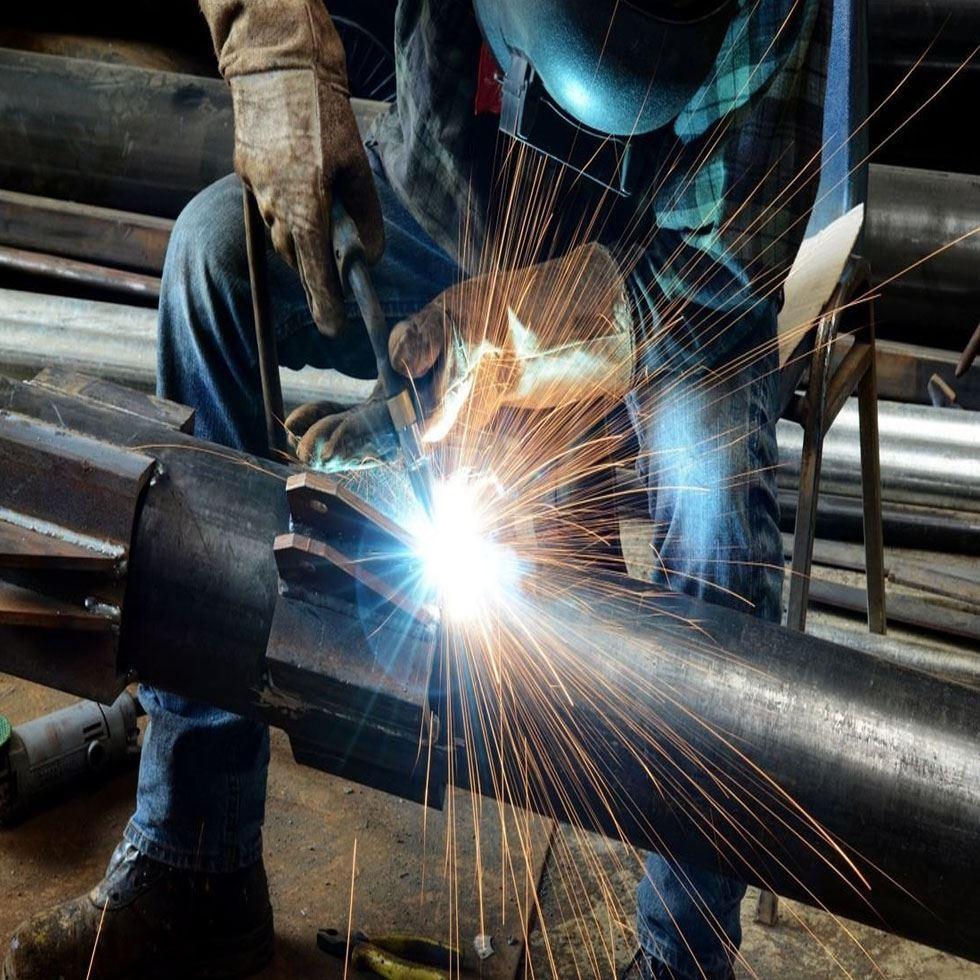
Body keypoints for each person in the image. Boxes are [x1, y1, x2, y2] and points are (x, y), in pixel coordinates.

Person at [3, 1, 829, 978]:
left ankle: (681, 959)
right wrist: (272, 48)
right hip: (460, 192)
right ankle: (197, 854)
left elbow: (733, 257)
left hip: (671, 264)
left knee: (713, 498)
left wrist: (523, 339)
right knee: (213, 255)